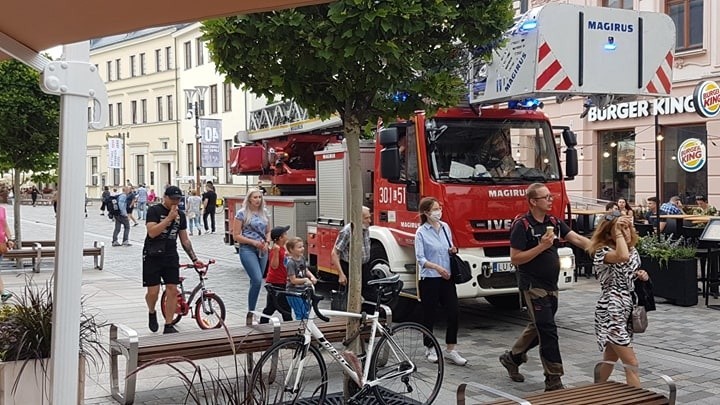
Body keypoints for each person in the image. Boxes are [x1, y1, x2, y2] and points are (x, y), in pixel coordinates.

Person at [499, 183, 591, 391]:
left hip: (551, 285)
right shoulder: (522, 225)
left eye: (550, 196)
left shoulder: (553, 221)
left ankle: (512, 358)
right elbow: (515, 258)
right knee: (548, 330)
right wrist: (542, 246)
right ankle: (553, 378)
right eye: (546, 197)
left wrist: (598, 248)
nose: (551, 200)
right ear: (533, 201)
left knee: (539, 326)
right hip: (533, 286)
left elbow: (575, 238)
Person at [587, 210, 649, 387]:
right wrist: (618, 232)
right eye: (621, 229)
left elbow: (627, 267)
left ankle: (595, 392)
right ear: (609, 234)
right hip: (611, 310)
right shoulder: (603, 252)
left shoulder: (633, 251)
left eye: (628, 228)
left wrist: (640, 275)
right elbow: (621, 256)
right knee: (631, 364)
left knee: (609, 359)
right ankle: (638, 400)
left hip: (626, 307)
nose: (627, 232)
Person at [414, 196, 467, 366]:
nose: (439, 212)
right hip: (430, 278)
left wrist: (453, 250)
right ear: (426, 213)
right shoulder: (421, 232)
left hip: (447, 277)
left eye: (439, 208)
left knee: (454, 312)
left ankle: (451, 349)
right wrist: (437, 268)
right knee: (429, 314)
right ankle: (429, 347)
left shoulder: (445, 227)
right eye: (435, 209)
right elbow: (420, 259)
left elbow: (449, 247)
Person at [144, 186, 204, 334]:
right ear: (165, 197)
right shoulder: (154, 211)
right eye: (172, 199)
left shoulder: (181, 215)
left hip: (170, 255)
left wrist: (194, 258)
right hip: (152, 255)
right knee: (153, 292)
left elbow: (185, 240)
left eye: (178, 199)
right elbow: (152, 232)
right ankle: (152, 311)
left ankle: (169, 324)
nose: (175, 202)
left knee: (172, 290)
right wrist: (169, 219)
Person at [233, 188, 271, 314]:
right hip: (248, 248)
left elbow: (268, 231)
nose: (258, 200)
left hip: (263, 249)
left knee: (257, 281)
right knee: (257, 279)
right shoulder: (242, 213)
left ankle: (253, 308)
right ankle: (251, 311)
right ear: (249, 199)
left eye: (259, 197)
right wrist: (253, 242)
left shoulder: (264, 212)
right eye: (255, 197)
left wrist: (267, 241)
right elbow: (236, 235)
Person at [330, 206, 372, 299]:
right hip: (350, 268)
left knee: (369, 295)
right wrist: (341, 274)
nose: (369, 220)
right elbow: (335, 253)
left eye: (370, 217)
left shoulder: (366, 229)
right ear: (358, 218)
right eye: (366, 218)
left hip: (364, 267)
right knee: (350, 297)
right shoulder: (347, 231)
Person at [260, 225, 293, 323]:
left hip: (280, 281)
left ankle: (263, 323)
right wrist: (276, 252)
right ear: (280, 238)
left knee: (270, 308)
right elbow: (274, 266)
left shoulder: (282, 248)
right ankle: (289, 327)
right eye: (285, 234)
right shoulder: (276, 249)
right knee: (285, 309)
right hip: (276, 282)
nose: (287, 235)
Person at [285, 236, 317, 320]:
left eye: (302, 246)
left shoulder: (302, 258)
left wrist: (311, 276)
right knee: (300, 313)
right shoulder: (291, 263)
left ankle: (306, 330)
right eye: (299, 247)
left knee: (307, 311)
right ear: (291, 250)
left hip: (302, 291)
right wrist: (305, 280)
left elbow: (305, 269)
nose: (302, 249)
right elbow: (293, 280)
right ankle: (301, 329)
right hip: (293, 292)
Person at [0, 205, 15, 302]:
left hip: (0, 244)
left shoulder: (1, 209)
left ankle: (3, 293)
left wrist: (9, 238)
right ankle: (2, 292)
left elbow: (5, 225)